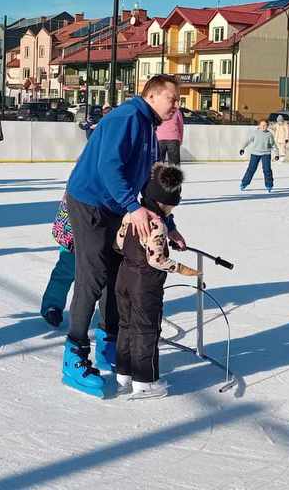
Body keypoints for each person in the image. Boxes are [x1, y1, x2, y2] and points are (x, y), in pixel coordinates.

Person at [61, 74, 188, 398]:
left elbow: (142, 178)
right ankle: (73, 356)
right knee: (92, 276)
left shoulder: (148, 126)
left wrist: (165, 224)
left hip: (116, 204)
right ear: (153, 95)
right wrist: (132, 208)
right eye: (172, 99)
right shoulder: (127, 118)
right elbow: (108, 167)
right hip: (90, 202)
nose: (177, 105)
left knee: (118, 276)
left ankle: (108, 343)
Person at [113, 163, 198, 400]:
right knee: (146, 330)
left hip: (124, 277)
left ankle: (123, 374)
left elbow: (119, 243)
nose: (172, 210)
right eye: (172, 205)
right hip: (145, 284)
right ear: (164, 202)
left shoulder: (132, 215)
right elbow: (156, 259)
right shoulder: (158, 225)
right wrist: (181, 268)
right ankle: (145, 381)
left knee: (126, 326)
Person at [40, 196, 76, 328]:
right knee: (67, 266)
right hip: (79, 213)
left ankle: (111, 312)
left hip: (113, 216)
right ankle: (52, 306)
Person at [239, 119, 279, 192]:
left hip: (266, 154)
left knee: (267, 170)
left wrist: (276, 154)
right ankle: (244, 183)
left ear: (268, 126)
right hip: (255, 153)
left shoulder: (269, 134)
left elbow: (273, 145)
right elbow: (248, 141)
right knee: (251, 169)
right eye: (262, 125)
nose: (264, 127)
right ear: (259, 126)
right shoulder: (255, 133)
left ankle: (269, 185)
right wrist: (242, 148)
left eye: (265, 125)